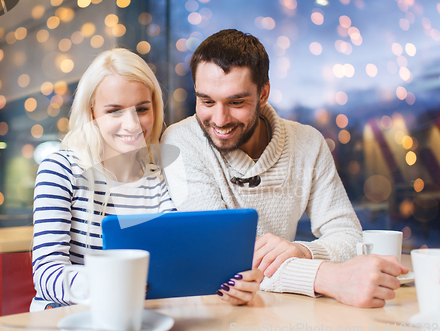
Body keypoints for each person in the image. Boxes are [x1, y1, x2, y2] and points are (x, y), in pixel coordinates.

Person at [161, 29, 408, 308]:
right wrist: (326, 277)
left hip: (284, 307)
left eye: (236, 102)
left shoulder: (308, 142)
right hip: (213, 308)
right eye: (206, 101)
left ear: (263, 93)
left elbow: (349, 236)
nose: (219, 119)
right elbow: (221, 258)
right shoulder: (180, 142)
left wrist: (303, 251)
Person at [31, 48, 262, 311]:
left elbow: (177, 263)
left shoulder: (160, 175)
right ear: (92, 111)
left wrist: (230, 284)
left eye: (141, 109)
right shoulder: (60, 169)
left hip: (144, 316)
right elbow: (46, 276)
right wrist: (107, 284)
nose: (131, 124)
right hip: (69, 317)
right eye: (114, 111)